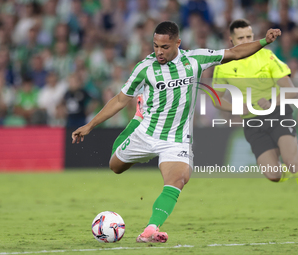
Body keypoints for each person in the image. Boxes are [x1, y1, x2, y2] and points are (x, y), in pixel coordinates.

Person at [72, 21, 281, 243]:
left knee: (179, 179)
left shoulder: (195, 59)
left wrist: (263, 41)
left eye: (165, 47)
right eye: (155, 46)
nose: (159, 52)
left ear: (177, 43)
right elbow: (121, 99)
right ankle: (137, 118)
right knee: (115, 167)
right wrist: (90, 125)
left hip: (176, 139)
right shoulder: (145, 68)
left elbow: (235, 52)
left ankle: (150, 230)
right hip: (145, 133)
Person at [212, 19, 298, 220]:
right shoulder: (223, 66)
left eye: (249, 36)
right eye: (241, 38)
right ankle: (290, 170)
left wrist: (271, 101)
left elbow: (291, 91)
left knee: (293, 162)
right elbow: (216, 99)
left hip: (278, 114)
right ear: (231, 40)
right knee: (274, 175)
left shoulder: (266, 56)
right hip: (252, 122)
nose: (246, 41)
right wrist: (235, 108)